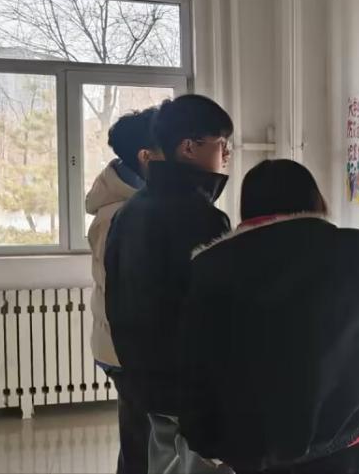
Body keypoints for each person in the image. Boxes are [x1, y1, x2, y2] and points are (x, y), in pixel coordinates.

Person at [179, 160, 359, 473]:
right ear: (314, 199)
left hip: (253, 453)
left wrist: (205, 441)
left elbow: (194, 365)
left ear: (247, 208)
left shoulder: (208, 270)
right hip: (346, 447)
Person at [103, 94, 234, 474]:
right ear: (189, 147)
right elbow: (214, 311)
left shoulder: (131, 210)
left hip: (143, 378)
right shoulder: (202, 219)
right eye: (221, 143)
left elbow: (116, 296)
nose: (227, 154)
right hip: (186, 387)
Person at [86, 107, 161, 474]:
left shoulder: (134, 203)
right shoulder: (119, 214)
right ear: (146, 156)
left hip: (125, 344)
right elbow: (132, 288)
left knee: (141, 440)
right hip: (127, 348)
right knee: (141, 447)